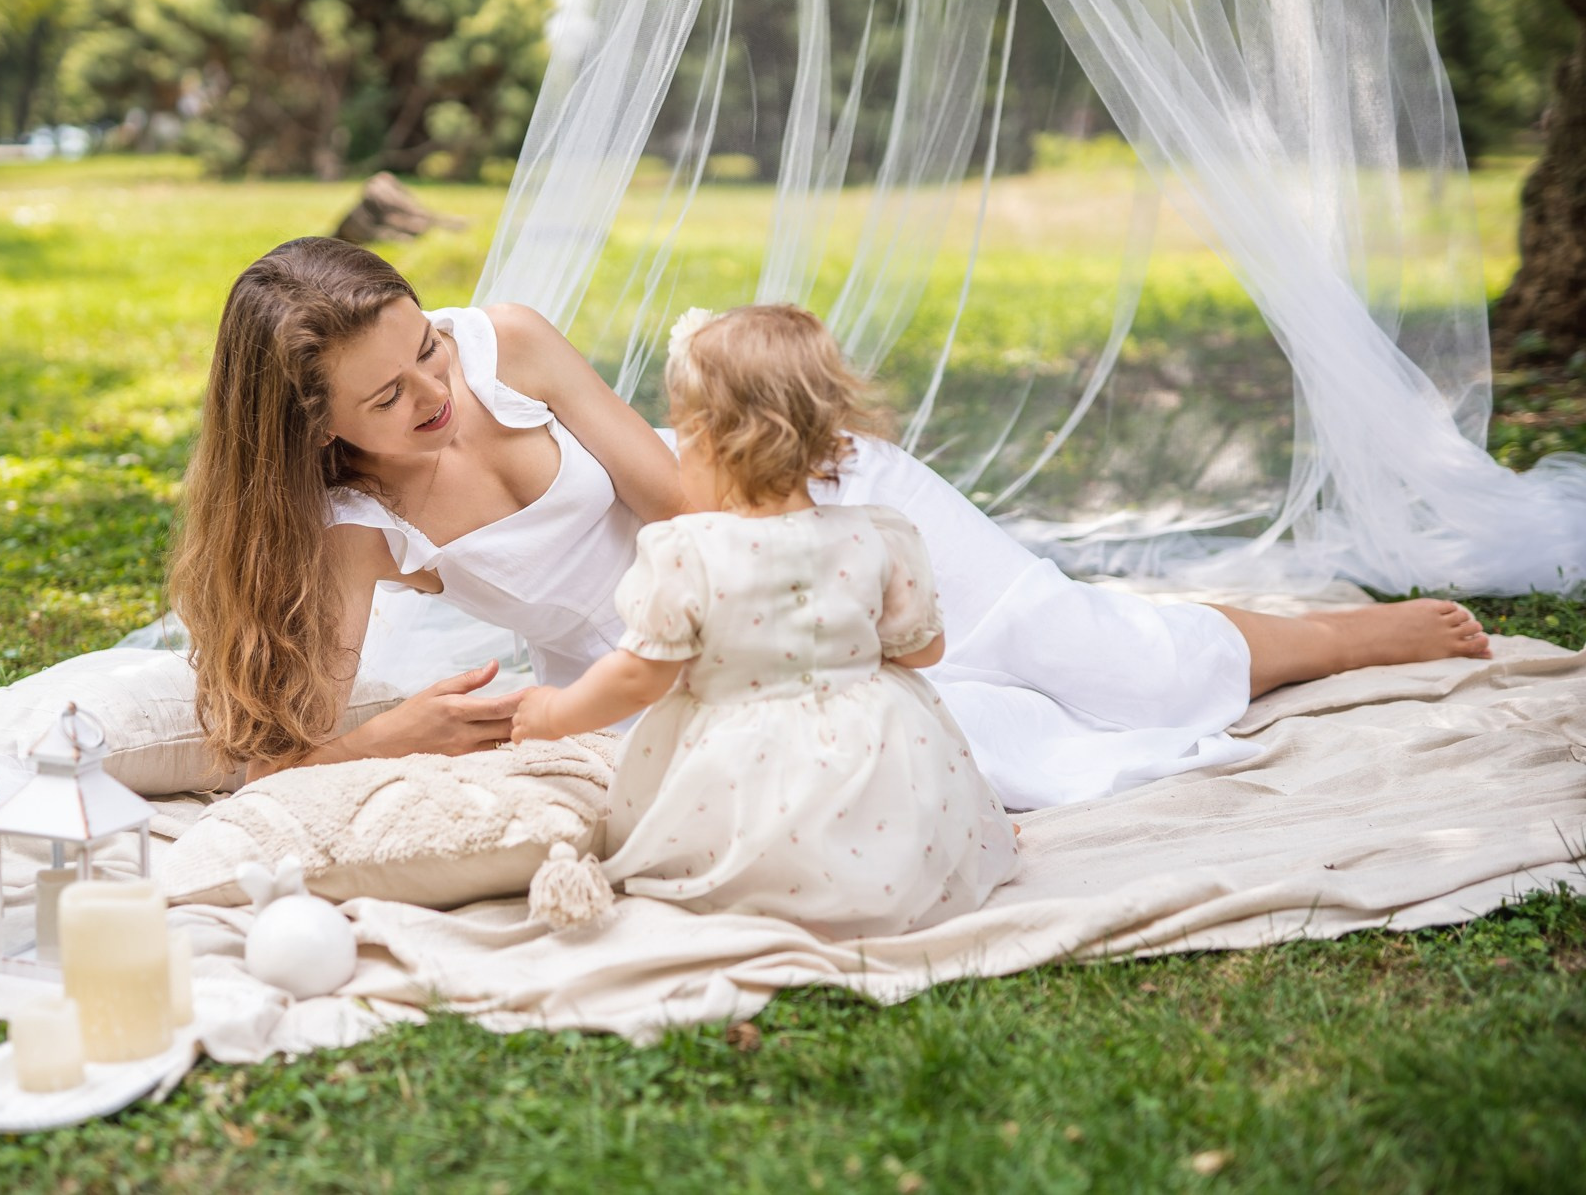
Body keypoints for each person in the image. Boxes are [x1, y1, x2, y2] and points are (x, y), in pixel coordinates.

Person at [168, 238, 1491, 807]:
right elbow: (274, 750)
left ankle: (1326, 639)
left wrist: (797, 540)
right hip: (680, 647)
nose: (437, 393)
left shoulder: (504, 340)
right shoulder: (349, 519)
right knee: (966, 738)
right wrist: (394, 735)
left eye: (427, 352)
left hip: (771, 520)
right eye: (388, 398)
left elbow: (680, 496)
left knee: (1072, 645)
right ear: (315, 427)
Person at [507, 305, 1018, 937]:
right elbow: (923, 652)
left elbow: (639, 678)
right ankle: (917, 850)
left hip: (742, 769)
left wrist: (554, 714)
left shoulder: (688, 553)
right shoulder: (876, 535)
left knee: (713, 843)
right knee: (896, 786)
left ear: (705, 442)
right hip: (878, 760)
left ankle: (768, 887)